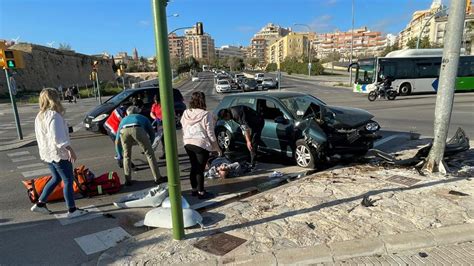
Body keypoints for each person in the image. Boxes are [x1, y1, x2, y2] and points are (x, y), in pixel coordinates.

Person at [30, 88, 88, 219]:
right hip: (58, 153)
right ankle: (72, 210)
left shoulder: (40, 116)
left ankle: (40, 204)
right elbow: (57, 137)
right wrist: (70, 150)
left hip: (48, 153)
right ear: (54, 99)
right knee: (68, 180)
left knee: (56, 178)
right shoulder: (54, 115)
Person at [181, 91, 222, 199]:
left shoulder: (186, 113)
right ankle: (201, 192)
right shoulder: (206, 114)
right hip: (200, 144)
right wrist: (216, 147)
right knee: (200, 169)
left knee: (193, 167)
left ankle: (194, 190)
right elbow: (210, 133)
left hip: (188, 143)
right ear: (203, 100)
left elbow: (183, 126)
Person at [116, 105, 166, 186]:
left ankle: (128, 180)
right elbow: (151, 133)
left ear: (127, 113)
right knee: (149, 154)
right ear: (137, 112)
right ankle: (158, 178)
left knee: (126, 156)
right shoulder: (142, 117)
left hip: (123, 131)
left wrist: (118, 153)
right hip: (137, 128)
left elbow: (117, 139)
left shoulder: (123, 119)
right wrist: (150, 144)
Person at [150, 94, 165, 159]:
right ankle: (164, 153)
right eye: (155, 100)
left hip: (165, 123)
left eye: (157, 101)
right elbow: (151, 113)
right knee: (161, 138)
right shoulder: (154, 105)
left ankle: (167, 153)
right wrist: (155, 118)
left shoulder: (164, 104)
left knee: (165, 138)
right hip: (159, 123)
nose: (156, 102)